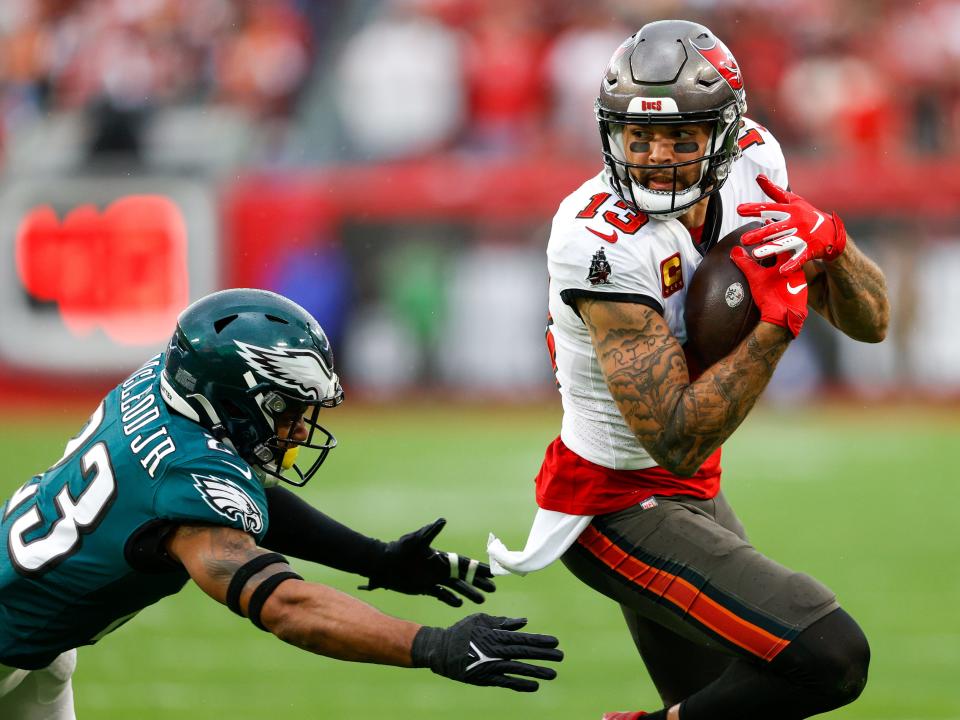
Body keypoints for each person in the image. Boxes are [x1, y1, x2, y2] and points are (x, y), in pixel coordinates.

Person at [487, 19, 889, 720]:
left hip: (691, 491)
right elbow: (674, 437)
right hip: (614, 504)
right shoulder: (594, 236)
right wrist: (776, 326)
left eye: (680, 136)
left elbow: (873, 323)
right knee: (831, 656)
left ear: (728, 136)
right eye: (637, 136)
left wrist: (831, 243)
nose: (655, 157)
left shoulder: (757, 164)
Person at [0, 288, 563, 719]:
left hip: (34, 643)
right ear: (233, 395)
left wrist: (376, 559)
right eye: (285, 409)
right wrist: (433, 646)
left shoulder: (170, 385)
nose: (296, 430)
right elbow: (285, 607)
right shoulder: (185, 478)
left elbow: (244, 500)